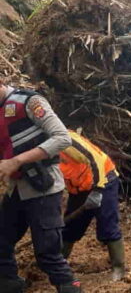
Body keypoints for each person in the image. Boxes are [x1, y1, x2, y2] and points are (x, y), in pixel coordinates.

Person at [0, 83, 83, 293]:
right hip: (16, 188)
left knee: (47, 253)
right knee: (1, 240)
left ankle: (69, 287)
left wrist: (17, 161)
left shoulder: (29, 101)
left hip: (43, 186)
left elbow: (62, 138)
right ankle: (9, 284)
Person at [59, 130, 125, 282]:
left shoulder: (65, 139)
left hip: (103, 180)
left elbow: (95, 159)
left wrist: (97, 190)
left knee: (107, 223)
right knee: (71, 224)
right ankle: (58, 262)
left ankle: (118, 267)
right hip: (79, 187)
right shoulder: (40, 147)